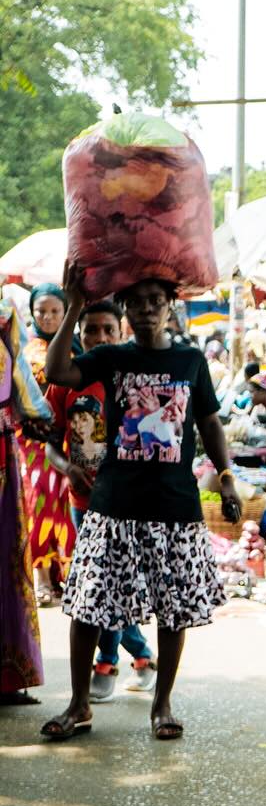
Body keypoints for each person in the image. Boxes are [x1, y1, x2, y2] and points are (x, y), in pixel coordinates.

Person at [38, 269, 241, 742]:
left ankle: (162, 704)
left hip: (174, 509)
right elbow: (56, 372)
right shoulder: (110, 357)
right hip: (112, 506)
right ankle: (78, 704)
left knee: (173, 611)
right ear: (126, 309)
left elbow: (209, 424)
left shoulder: (192, 361)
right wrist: (72, 306)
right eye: (137, 302)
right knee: (88, 606)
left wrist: (227, 477)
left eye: (155, 300)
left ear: (171, 304)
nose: (147, 309)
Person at [46, 299, 157, 702]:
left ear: (122, 331)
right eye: (92, 330)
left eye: (108, 330)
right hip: (82, 501)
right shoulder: (66, 381)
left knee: (110, 584)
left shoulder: (135, 382)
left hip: (126, 501)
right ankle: (142, 657)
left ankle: (106, 663)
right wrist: (66, 467)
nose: (100, 337)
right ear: (80, 333)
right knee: (100, 584)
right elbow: (50, 444)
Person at [19, 283, 78, 606]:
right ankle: (41, 576)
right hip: (35, 443)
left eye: (56, 310)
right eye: (41, 310)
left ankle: (67, 576)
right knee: (40, 506)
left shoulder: (76, 347)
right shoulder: (25, 351)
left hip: (71, 441)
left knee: (67, 508)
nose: (48, 316)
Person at [0, 297, 44, 702]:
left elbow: (23, 379)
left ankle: (7, 677)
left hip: (1, 447)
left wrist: (37, 414)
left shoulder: (5, 313)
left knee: (5, 559)